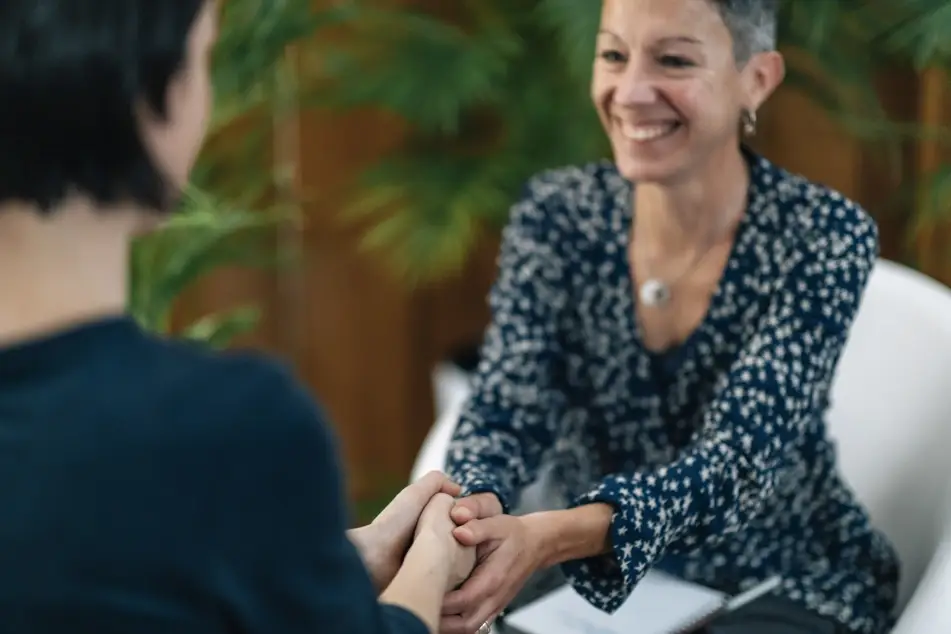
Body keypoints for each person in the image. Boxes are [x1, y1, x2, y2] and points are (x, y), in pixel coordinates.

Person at [0, 1, 473, 633]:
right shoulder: (224, 429)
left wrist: (333, 560)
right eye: (202, 61)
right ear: (152, 97)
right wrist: (433, 560)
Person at [441, 1, 900, 633]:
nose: (629, 93)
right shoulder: (555, 216)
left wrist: (550, 536)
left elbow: (739, 461)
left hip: (778, 576)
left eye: (674, 60)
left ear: (756, 80)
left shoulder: (822, 236)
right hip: (584, 585)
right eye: (612, 54)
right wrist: (475, 512)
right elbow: (506, 408)